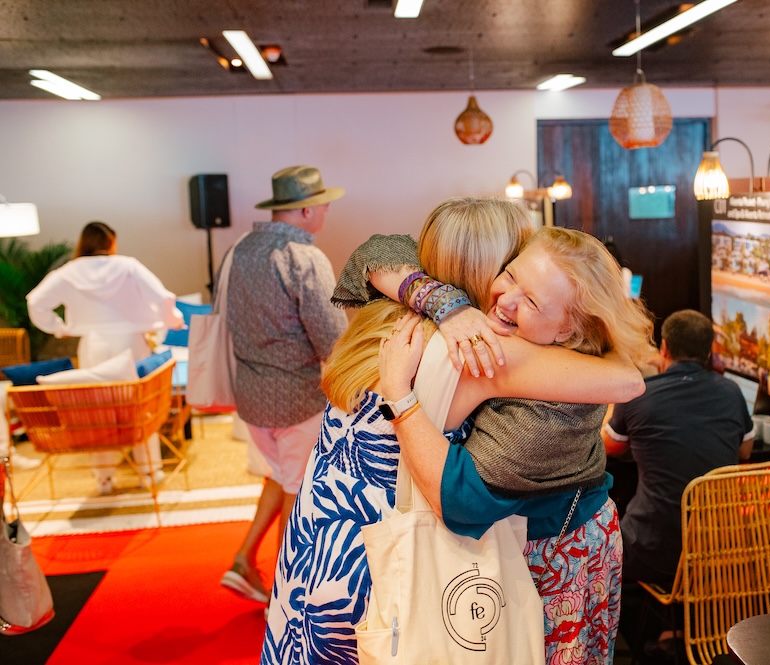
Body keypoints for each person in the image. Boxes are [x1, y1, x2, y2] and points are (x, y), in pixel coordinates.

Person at [262, 199, 647, 665]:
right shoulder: (480, 350)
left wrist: (440, 301)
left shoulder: (386, 310)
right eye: (510, 272)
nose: (507, 298)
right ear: (490, 267)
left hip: (315, 539)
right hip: (382, 556)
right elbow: (626, 380)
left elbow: (372, 252)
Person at [379, 225, 654, 665]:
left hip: (562, 558)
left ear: (567, 332)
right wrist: (444, 304)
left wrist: (398, 395)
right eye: (510, 275)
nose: (505, 299)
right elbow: (375, 255)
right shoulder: (541, 352)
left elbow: (459, 502)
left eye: (531, 301)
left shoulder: (542, 411)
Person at [220, 165, 349, 606]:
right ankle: (288, 598)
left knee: (279, 477)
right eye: (325, 202)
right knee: (299, 494)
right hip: (298, 400)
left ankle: (243, 559)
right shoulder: (305, 257)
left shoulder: (243, 249)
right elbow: (332, 339)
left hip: (254, 398)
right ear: (308, 209)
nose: (328, 209)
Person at [602, 309, 754, 662]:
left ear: (664, 347)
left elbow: (610, 446)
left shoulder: (639, 392)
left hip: (654, 553)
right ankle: (680, 630)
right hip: (718, 553)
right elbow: (744, 449)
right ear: (710, 352)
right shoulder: (732, 392)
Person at [26, 221, 182, 494]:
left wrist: (59, 328)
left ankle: (104, 478)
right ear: (111, 242)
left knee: (97, 410)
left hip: (92, 346)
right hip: (131, 343)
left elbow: (35, 302)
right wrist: (172, 321)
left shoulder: (68, 272)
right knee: (138, 404)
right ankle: (149, 471)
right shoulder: (128, 266)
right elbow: (163, 297)